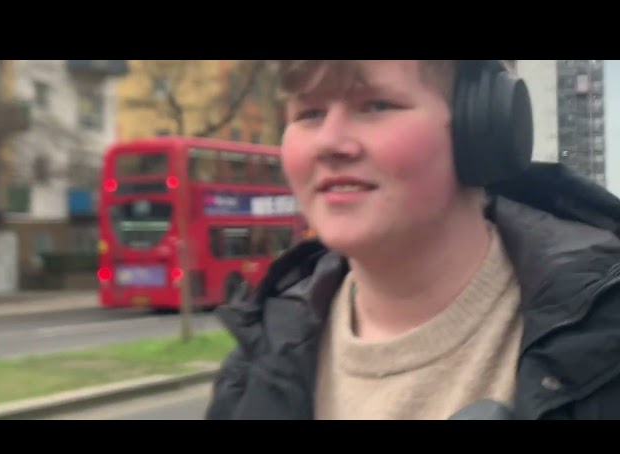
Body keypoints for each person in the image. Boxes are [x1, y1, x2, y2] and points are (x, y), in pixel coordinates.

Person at [205, 60, 620, 420]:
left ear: (481, 127)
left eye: (375, 106)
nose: (329, 143)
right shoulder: (253, 368)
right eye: (309, 113)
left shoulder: (605, 344)